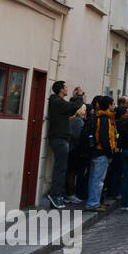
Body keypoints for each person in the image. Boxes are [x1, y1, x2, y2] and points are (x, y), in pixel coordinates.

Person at [44, 81, 84, 209]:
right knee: (60, 168)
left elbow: (70, 107)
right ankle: (55, 195)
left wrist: (75, 98)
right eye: (66, 87)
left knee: (61, 167)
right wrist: (79, 96)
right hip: (59, 139)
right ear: (61, 90)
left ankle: (58, 194)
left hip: (61, 138)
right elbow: (73, 107)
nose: (67, 89)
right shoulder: (56, 101)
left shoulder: (59, 102)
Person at [85, 96, 118, 213]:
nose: (113, 107)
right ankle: (93, 203)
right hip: (101, 152)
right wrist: (110, 154)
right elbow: (105, 138)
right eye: (112, 104)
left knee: (94, 178)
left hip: (96, 151)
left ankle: (94, 202)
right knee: (98, 179)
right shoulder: (105, 118)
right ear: (109, 106)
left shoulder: (97, 116)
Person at [66, 102, 87, 204]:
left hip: (70, 148)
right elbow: (78, 136)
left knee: (70, 172)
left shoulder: (72, 119)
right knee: (72, 172)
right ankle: (70, 194)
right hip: (74, 149)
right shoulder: (78, 121)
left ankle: (68, 193)